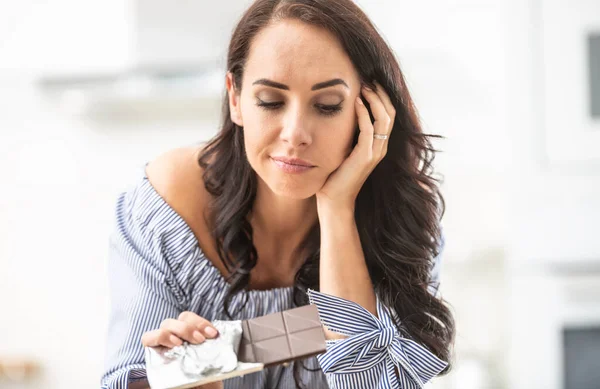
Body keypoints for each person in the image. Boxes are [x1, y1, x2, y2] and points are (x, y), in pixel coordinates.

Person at [101, 0, 455, 388]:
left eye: (327, 106)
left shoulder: (404, 222)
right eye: (270, 101)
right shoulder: (164, 207)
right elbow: (128, 376)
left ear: (368, 112)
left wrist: (337, 210)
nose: (294, 133)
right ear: (235, 99)